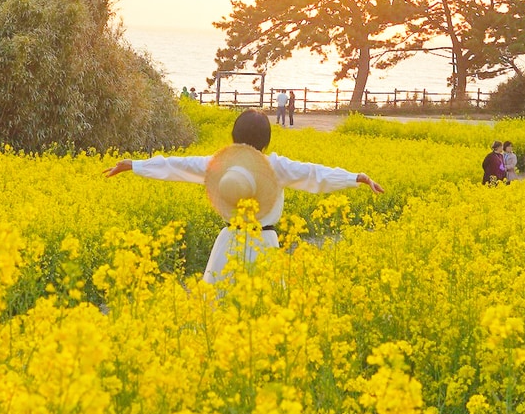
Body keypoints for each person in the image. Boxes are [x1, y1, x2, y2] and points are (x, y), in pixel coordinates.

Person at [105, 108, 384, 283]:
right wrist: (354, 177)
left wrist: (135, 165)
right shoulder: (275, 166)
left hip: (229, 242)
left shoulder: (219, 164)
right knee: (262, 310)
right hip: (264, 242)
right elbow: (314, 174)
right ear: (266, 139)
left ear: (234, 136)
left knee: (220, 306)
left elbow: (177, 165)